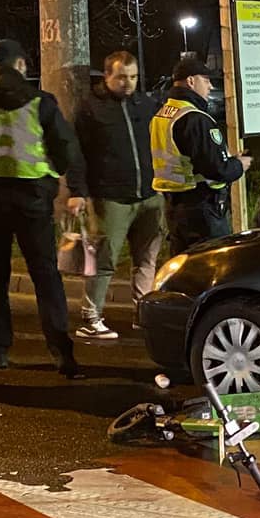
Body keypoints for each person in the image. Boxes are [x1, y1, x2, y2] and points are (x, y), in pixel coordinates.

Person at [0, 39, 85, 377]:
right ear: (21, 65)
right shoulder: (41, 102)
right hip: (32, 200)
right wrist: (51, 174)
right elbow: (66, 148)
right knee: (45, 275)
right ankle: (61, 352)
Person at [67, 51, 164, 340]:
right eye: (121, 77)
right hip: (111, 198)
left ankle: (142, 314)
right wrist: (78, 192)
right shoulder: (90, 109)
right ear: (107, 75)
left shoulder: (144, 104)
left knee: (146, 260)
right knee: (104, 260)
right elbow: (76, 154)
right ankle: (90, 317)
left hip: (148, 194)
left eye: (133, 77)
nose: (128, 83)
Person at [150, 57, 251, 255]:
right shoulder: (194, 118)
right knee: (213, 265)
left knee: (183, 266)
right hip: (202, 209)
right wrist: (239, 164)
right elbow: (216, 169)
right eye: (206, 80)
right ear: (191, 81)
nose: (211, 86)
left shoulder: (163, 114)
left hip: (174, 206)